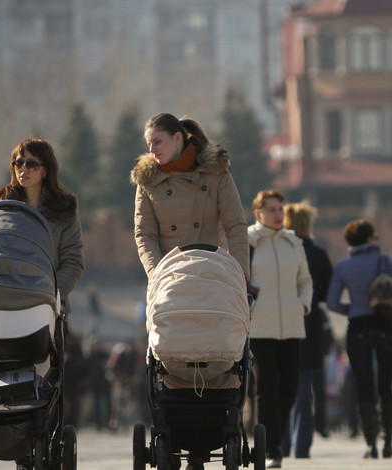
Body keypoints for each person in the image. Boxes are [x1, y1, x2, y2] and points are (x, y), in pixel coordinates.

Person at [0, 137, 85, 470]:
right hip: (3, 303)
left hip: (47, 308)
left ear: (46, 169)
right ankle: (13, 439)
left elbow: (73, 259)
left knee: (49, 380)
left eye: (31, 163)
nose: (23, 169)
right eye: (18, 162)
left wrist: (55, 293)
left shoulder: (64, 208)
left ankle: (45, 442)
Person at [327, 219, 392, 460]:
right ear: (369, 239)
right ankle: (389, 442)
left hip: (358, 330)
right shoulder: (385, 261)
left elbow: (332, 302)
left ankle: (371, 444)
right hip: (386, 328)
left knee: (364, 387)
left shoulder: (343, 267)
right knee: (385, 385)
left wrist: (353, 309)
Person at [131, 112, 249, 281]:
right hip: (168, 278)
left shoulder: (214, 172)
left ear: (177, 138)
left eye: (157, 142)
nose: (151, 150)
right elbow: (145, 235)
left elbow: (236, 225)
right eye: (149, 144)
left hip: (211, 273)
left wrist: (240, 275)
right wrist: (157, 275)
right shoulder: (147, 181)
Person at [247, 190, 313, 469]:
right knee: (267, 388)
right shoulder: (247, 241)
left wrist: (303, 305)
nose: (277, 214)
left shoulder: (293, 242)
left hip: (292, 325)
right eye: (271, 209)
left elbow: (306, 281)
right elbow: (237, 279)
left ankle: (273, 439)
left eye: (280, 208)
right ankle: (271, 447)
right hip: (260, 327)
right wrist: (251, 306)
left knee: (290, 389)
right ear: (258, 213)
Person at [279, 201, 333, 459]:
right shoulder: (319, 255)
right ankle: (302, 447)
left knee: (280, 386)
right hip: (310, 324)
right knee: (305, 389)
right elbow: (328, 293)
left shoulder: (280, 251)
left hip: (280, 322)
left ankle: (283, 444)